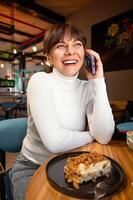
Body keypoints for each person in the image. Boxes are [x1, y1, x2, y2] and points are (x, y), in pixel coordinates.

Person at [10, 23, 114, 200]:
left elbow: (104, 136)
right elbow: (54, 142)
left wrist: (98, 81)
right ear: (49, 57)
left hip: (70, 163)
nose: (70, 51)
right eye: (60, 46)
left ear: (84, 54)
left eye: (77, 45)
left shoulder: (88, 87)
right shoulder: (40, 81)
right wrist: (91, 135)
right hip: (32, 166)